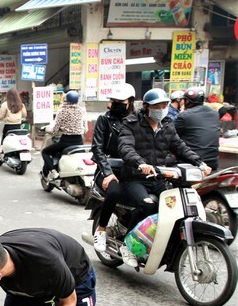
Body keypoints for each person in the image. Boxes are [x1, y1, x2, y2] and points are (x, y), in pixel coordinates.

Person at [117, 88, 211, 266]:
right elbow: (125, 147)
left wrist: (199, 163)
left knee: (173, 206)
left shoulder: (167, 125)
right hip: (134, 177)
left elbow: (180, 147)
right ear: (146, 107)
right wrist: (140, 163)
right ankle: (127, 244)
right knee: (147, 204)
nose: (161, 108)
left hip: (158, 178)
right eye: (157, 105)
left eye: (164, 105)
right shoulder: (131, 123)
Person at [91, 84, 135, 252]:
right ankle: (101, 230)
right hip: (108, 168)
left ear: (130, 102)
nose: (117, 103)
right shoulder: (105, 119)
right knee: (115, 191)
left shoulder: (137, 120)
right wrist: (108, 172)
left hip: (130, 169)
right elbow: (97, 148)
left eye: (120, 101)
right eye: (114, 100)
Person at [41, 91, 86, 180]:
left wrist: (46, 129)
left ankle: (53, 172)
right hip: (79, 141)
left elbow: (54, 130)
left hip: (66, 141)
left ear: (66, 100)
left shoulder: (62, 111)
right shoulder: (82, 110)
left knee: (45, 152)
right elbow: (84, 128)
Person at [174, 87, 221, 170]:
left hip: (191, 163)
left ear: (187, 101)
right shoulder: (215, 114)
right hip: (213, 163)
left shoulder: (184, 116)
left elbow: (171, 137)